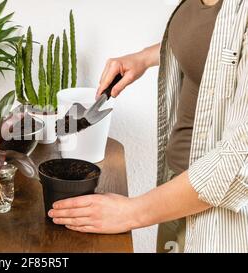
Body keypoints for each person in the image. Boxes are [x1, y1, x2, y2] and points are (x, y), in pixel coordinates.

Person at [48, 0, 248, 253]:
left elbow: (241, 161)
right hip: (176, 192)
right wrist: (145, 57)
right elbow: (213, 36)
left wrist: (132, 212)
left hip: (221, 215)